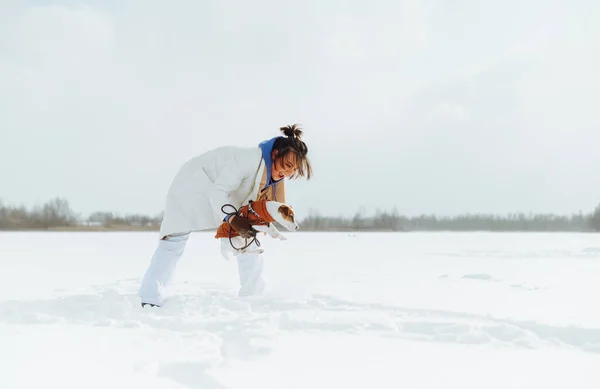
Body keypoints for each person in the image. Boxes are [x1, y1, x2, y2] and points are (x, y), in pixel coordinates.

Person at [137, 124, 312, 307]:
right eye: (285, 166)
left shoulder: (272, 176)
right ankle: (149, 298)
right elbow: (217, 192)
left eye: (290, 172)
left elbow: (267, 204)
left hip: (221, 196)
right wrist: (233, 220)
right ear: (275, 154)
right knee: (173, 242)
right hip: (191, 186)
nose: (283, 174)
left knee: (248, 240)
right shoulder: (247, 159)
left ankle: (254, 297)